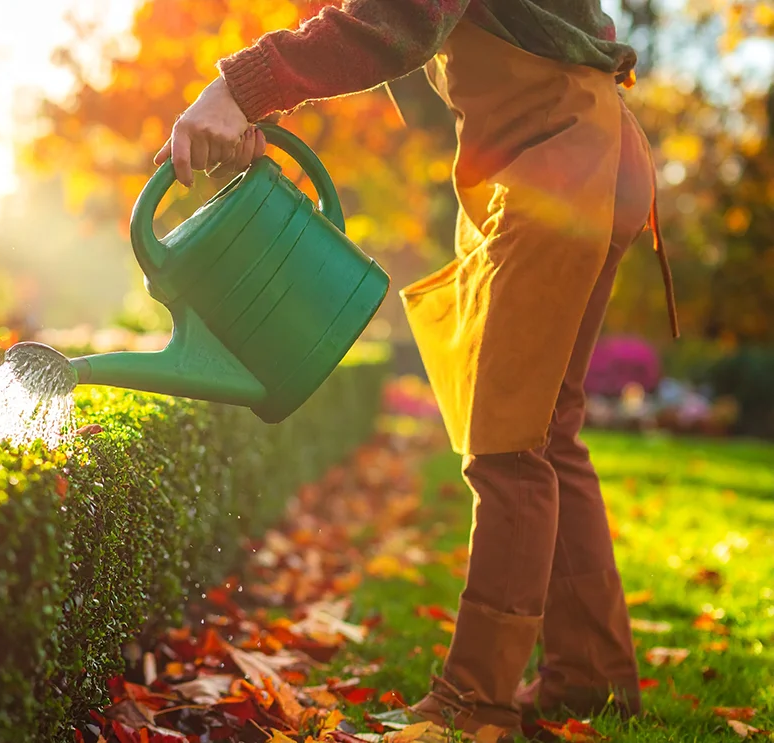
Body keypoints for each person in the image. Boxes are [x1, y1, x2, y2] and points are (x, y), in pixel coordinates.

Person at [154, 3, 679, 742]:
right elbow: (376, 31)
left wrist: (237, 90)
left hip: (557, 157)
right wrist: (267, 106)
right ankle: (589, 674)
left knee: (510, 443)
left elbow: (390, 24)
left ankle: (475, 701)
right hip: (589, 148)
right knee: (549, 429)